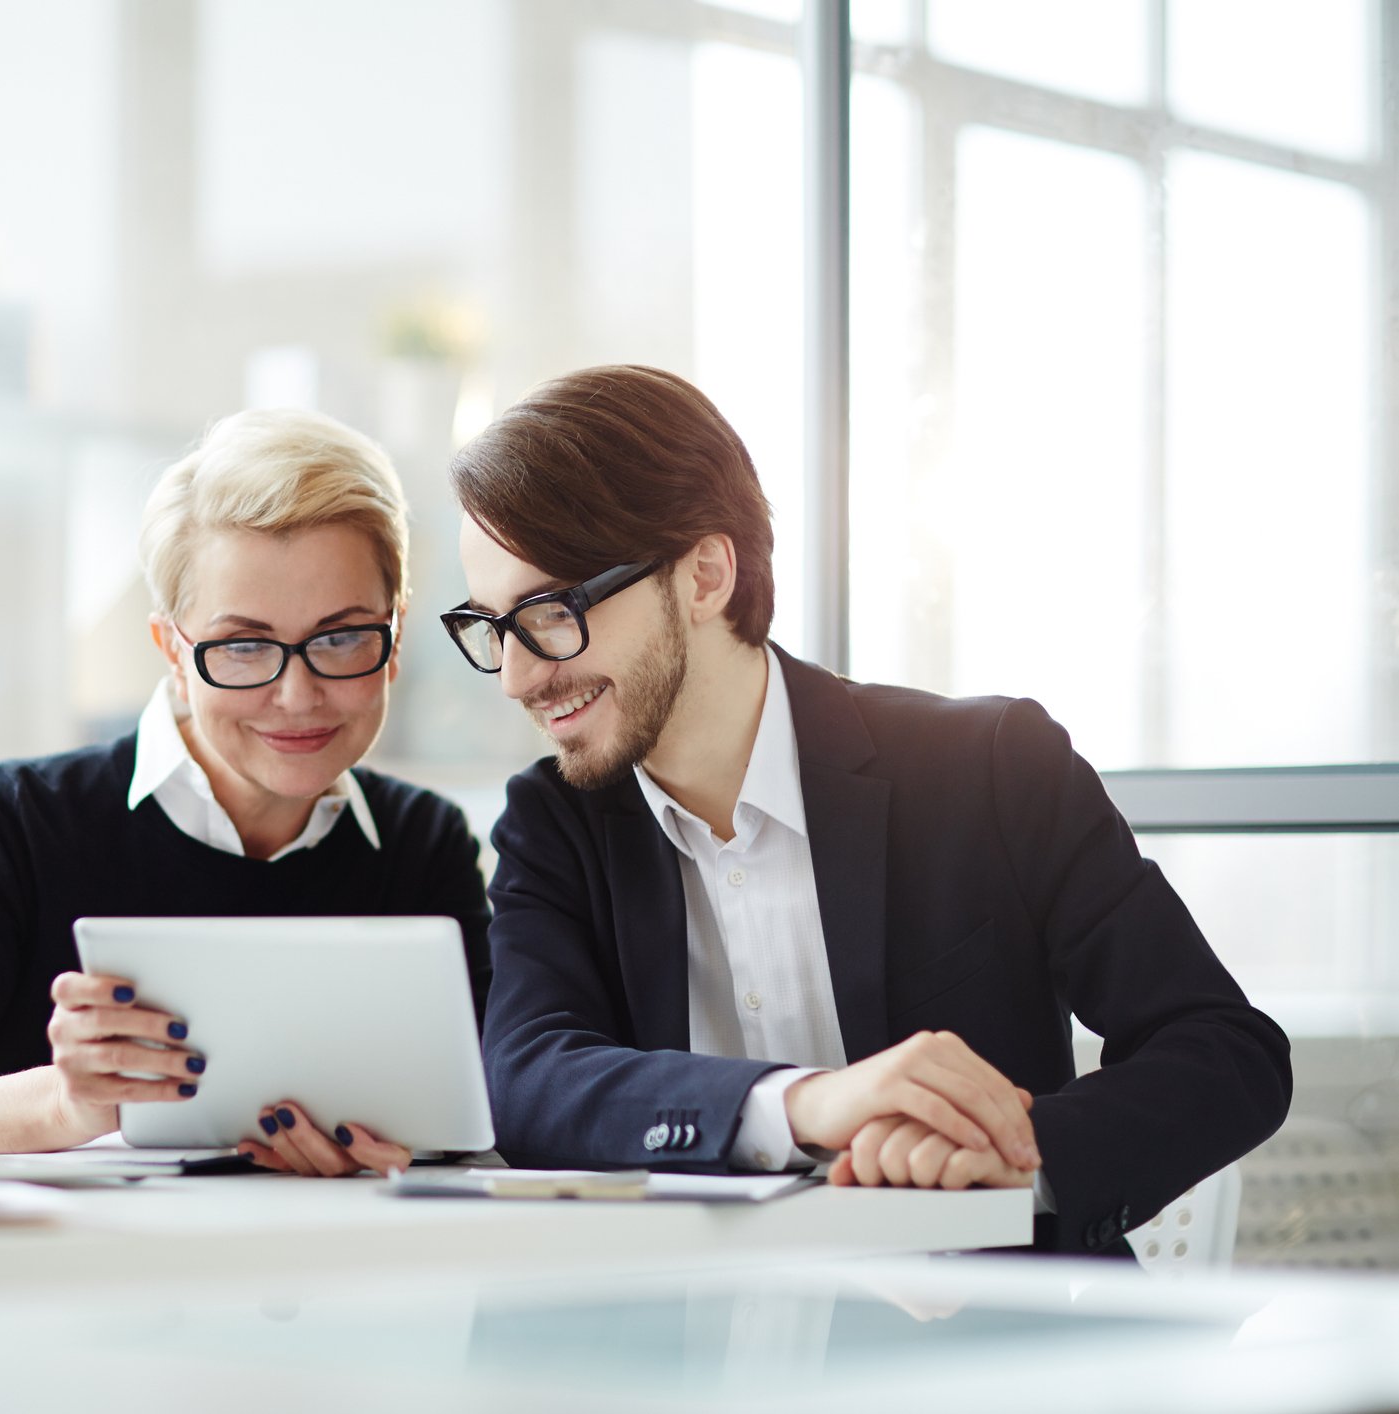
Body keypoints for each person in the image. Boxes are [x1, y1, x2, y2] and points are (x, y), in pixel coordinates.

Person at [441, 364, 1290, 1254]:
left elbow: (1224, 1051)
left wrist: (1014, 1157)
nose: (515, 675)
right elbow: (530, 1077)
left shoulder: (991, 768)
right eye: (490, 626)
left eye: (546, 611)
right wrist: (801, 1103)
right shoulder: (553, 823)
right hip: (691, 1357)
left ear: (702, 575)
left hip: (992, 1353)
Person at [0, 408, 492, 1175]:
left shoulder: (422, 843)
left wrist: (407, 1147)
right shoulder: (9, 823)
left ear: (395, 636)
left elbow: (478, 1108)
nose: (297, 694)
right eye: (243, 646)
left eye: (341, 638)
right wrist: (67, 1104)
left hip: (331, 1273)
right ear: (171, 649)